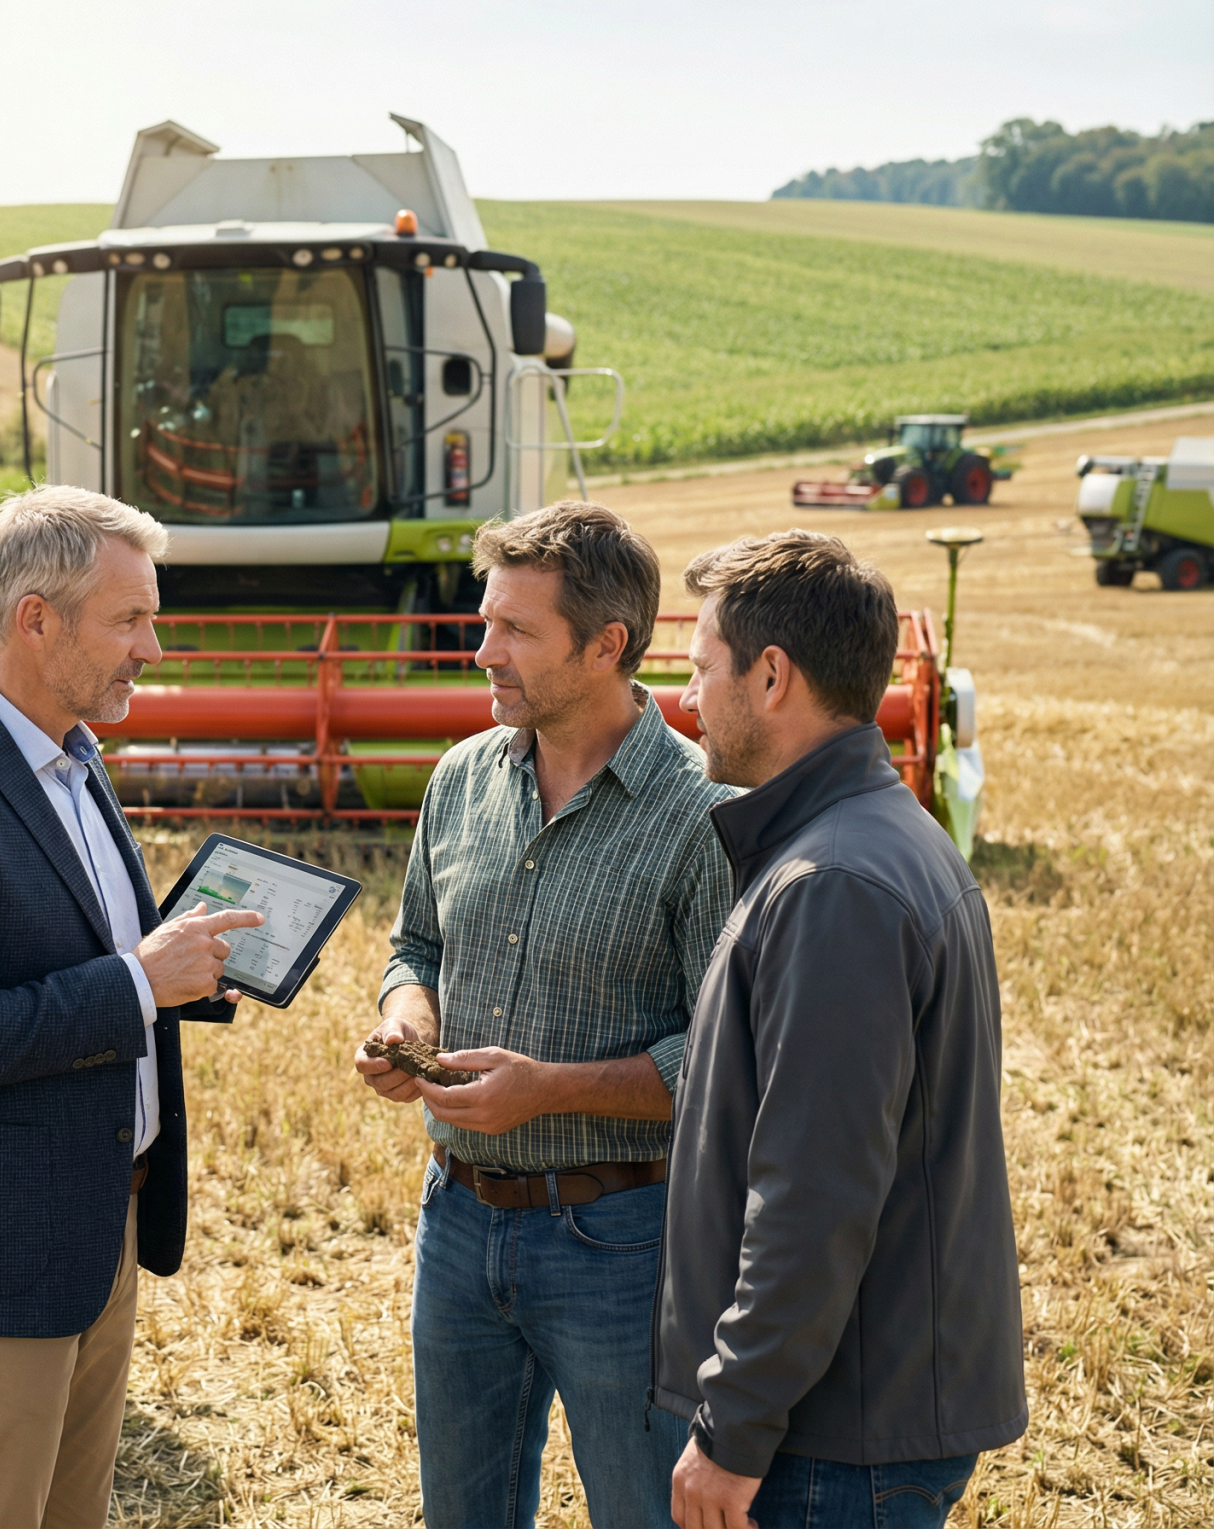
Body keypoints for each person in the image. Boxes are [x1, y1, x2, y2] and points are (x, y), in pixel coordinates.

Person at [0, 485, 263, 1529]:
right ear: (37, 618)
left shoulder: (73, 758)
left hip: (95, 1229)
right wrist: (133, 983)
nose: (149, 647)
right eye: (129, 619)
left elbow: (83, 958)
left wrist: (180, 971)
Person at [354, 500, 736, 1528]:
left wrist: (547, 1091)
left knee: (641, 1513)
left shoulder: (701, 814)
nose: (483, 651)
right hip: (455, 1219)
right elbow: (415, 946)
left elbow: (726, 1061)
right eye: (486, 622)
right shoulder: (460, 777)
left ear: (606, 644)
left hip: (622, 1237)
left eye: (514, 630)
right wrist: (407, 1023)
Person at [659, 532, 1026, 1529]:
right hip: (854, 1408)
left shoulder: (829, 886)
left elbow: (813, 1191)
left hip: (829, 1439)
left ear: (769, 675)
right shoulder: (882, 837)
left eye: (700, 667)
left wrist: (732, 1422)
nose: (688, 699)